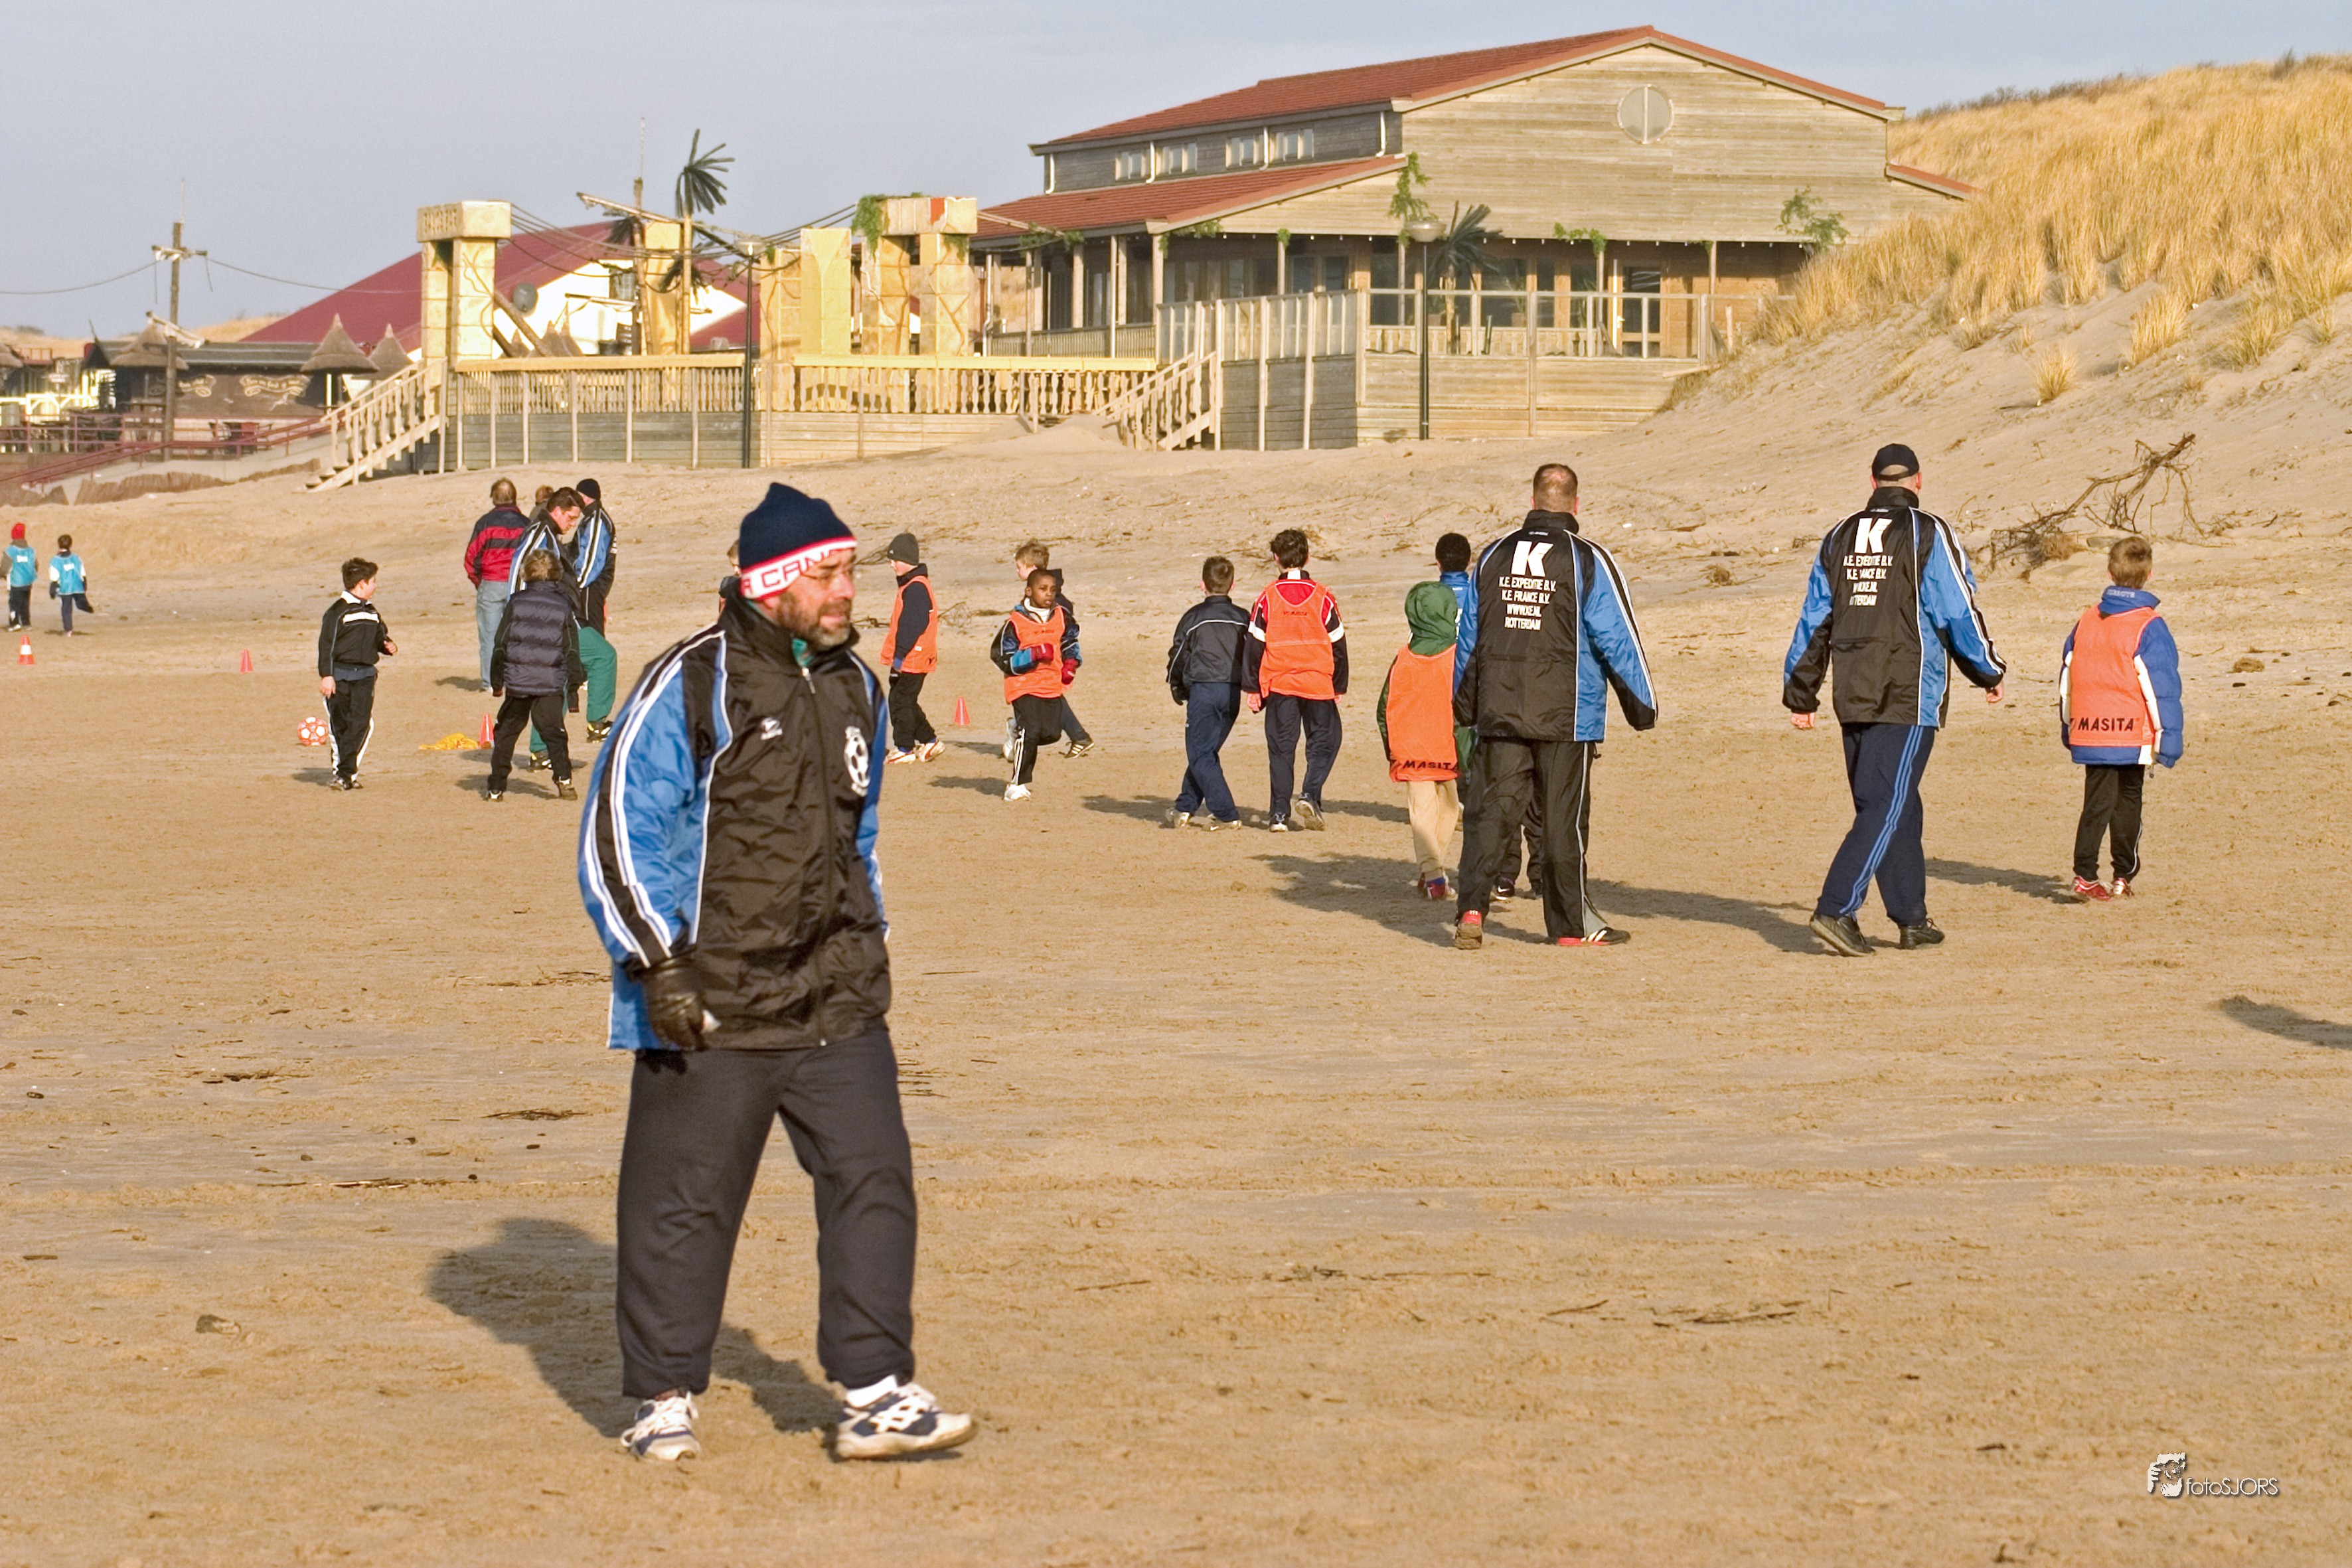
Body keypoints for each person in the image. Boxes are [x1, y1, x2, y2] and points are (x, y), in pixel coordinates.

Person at [578, 481, 973, 1464]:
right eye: (827, 574)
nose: (847, 591)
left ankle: (876, 1391)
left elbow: (859, 837)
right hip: (710, 998)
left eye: (850, 572)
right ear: (771, 584)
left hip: (839, 993)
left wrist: (870, 940)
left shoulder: (858, 687)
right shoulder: (691, 681)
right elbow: (619, 828)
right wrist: (659, 964)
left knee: (873, 1179)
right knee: (683, 1201)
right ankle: (663, 1398)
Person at [1783, 443, 2007, 957]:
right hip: (1906, 689)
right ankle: (1836, 909)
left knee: (1891, 799)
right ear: (1918, 481)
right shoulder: (1927, 532)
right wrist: (1987, 670)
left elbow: (1815, 617)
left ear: (1873, 482)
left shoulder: (1839, 535)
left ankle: (1911, 918)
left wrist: (1801, 690)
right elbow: (1956, 610)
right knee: (1884, 804)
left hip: (1852, 686)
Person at [1454, 463, 1656, 949]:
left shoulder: (1493, 555)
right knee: (1563, 822)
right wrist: (1643, 705)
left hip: (1501, 708)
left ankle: (1472, 908)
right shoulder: (1588, 558)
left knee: (1490, 814)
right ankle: (1570, 926)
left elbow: (1468, 637)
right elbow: (1616, 637)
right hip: (1568, 714)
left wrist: (1464, 704)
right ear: (1576, 504)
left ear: (1532, 501)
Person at [2059, 536, 2183, 901]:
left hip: (2091, 729)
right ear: (2150, 574)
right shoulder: (2149, 625)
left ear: (2110, 573)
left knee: (2097, 802)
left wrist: (2069, 725)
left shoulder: (2086, 620)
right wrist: (2168, 740)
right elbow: (2162, 687)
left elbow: (2066, 679)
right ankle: (2120, 876)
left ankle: (2089, 874)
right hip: (2131, 733)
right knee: (2129, 800)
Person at [1439, 530, 1533, 899]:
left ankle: (1492, 874)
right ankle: (1516, 875)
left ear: (1437, 562)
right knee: (1514, 791)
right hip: (1500, 695)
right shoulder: (1488, 591)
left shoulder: (1432, 598)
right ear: (1470, 561)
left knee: (1482, 788)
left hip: (1459, 695)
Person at [1242, 528, 1347, 832]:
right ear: (1308, 557)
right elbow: (1338, 645)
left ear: (1276, 559)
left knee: (1281, 749)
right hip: (1318, 683)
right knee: (1326, 741)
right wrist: (1339, 684)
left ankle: (1279, 815)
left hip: (1280, 685)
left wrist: (1252, 688)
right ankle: (1310, 794)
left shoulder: (1267, 597)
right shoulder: (1323, 597)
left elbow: (1254, 645)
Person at [510, 489, 617, 769]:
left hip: (556, 618)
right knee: (603, 656)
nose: (572, 524)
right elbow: (518, 575)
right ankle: (597, 723)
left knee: (560, 680)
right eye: (570, 518)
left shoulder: (549, 535)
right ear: (557, 511)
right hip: (550, 620)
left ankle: (541, 751)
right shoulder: (539, 534)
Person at [1379, 581, 1469, 899]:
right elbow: (1468, 707)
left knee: (1435, 811)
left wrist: (1391, 747)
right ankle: (1433, 875)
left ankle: (1432, 871)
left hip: (1413, 748)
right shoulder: (1458, 657)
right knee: (1441, 811)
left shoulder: (1402, 658)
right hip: (1444, 746)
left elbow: (1384, 707)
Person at [485, 550, 585, 802]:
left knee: (506, 733)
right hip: (550, 684)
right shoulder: (563, 605)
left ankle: (496, 788)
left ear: (525, 574)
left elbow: (500, 644)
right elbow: (571, 649)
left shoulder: (516, 602)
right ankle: (564, 780)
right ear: (557, 574)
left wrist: (497, 681)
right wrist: (574, 686)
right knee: (554, 734)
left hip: (518, 682)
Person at [1164, 555, 1250, 830]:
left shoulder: (1194, 617)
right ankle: (1184, 807)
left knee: (1201, 754)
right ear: (1232, 585)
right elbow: (1255, 655)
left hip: (1204, 691)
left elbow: (1178, 655)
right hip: (1232, 693)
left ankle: (1226, 813)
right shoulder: (1243, 618)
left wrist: (1175, 683)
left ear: (1202, 584)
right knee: (1206, 752)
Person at [991, 566, 1079, 802]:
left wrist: (1071, 662)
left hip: (1051, 685)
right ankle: (1016, 785)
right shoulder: (1015, 623)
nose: (1048, 594)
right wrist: (1033, 655)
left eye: (1053, 589)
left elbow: (1070, 642)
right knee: (1030, 732)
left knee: (1051, 734)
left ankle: (1015, 730)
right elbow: (1002, 658)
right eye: (1043, 589)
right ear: (1029, 591)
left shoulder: (1062, 616)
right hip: (1022, 685)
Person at [317, 556, 397, 791]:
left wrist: (387, 646)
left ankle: (346, 773)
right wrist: (327, 675)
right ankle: (343, 774)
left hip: (365, 677)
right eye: (373, 581)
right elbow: (326, 645)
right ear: (361, 584)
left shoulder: (372, 612)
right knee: (341, 727)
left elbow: (380, 637)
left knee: (361, 725)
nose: (375, 586)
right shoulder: (337, 612)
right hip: (339, 677)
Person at [1013, 540, 1093, 757]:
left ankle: (1078, 736)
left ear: (1032, 569)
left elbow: (1066, 630)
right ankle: (1077, 736)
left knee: (1048, 697)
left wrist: (1069, 661)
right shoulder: (1037, 596)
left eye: (1020, 567)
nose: (1017, 571)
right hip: (1038, 657)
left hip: (1052, 659)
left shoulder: (1054, 600)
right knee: (1043, 696)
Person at [880, 531, 943, 764]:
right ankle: (929, 740)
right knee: (903, 699)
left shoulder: (916, 588)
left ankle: (904, 747)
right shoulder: (912, 586)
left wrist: (899, 658)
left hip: (913, 657)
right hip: (910, 656)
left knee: (901, 701)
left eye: (895, 560)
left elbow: (912, 626)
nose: (892, 565)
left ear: (907, 560)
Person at [463, 479, 528, 690]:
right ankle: (515, 678)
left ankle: (491, 682)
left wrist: (480, 581)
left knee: (490, 637)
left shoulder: (485, 523)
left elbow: (471, 557)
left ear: (494, 498)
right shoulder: (525, 524)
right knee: (517, 635)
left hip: (492, 582)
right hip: (517, 584)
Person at [570, 478, 621, 744]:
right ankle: (584, 679)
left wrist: (576, 585)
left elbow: (592, 559)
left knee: (590, 634)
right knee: (588, 634)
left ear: (586, 497)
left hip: (589, 587)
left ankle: (590, 686)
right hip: (588, 587)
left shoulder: (597, 520)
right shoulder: (591, 518)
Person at [47, 534, 92, 635]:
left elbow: (54, 578)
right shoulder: (76, 558)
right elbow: (82, 573)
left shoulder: (55, 561)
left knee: (66, 608)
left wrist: (52, 591)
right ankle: (84, 606)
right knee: (79, 601)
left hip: (65, 588)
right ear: (71, 545)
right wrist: (84, 586)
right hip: (77, 585)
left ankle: (68, 629)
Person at [5, 522, 36, 631]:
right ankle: (26, 623)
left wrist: (2, 574)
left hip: (15, 582)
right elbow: (36, 565)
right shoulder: (31, 551)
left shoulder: (10, 551)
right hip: (28, 581)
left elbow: (5, 567)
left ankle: (15, 623)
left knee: (14, 604)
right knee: (25, 603)